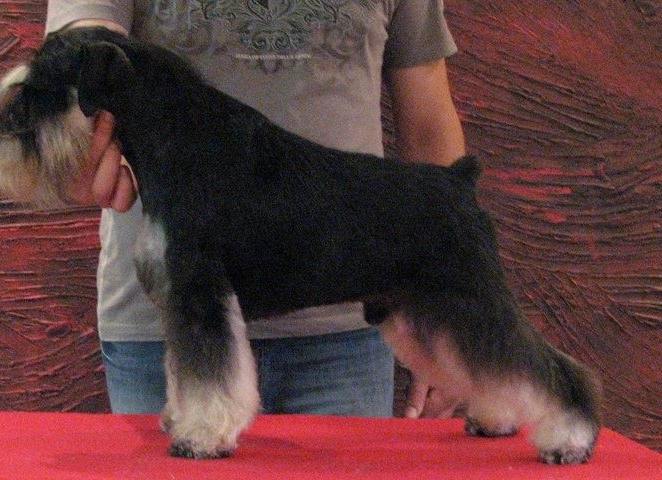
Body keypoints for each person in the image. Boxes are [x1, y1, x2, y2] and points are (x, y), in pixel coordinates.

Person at [45, 0, 465, 419]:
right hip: (168, 318)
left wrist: (445, 305)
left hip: (345, 323)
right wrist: (82, 135)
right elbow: (84, 36)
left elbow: (426, 116)